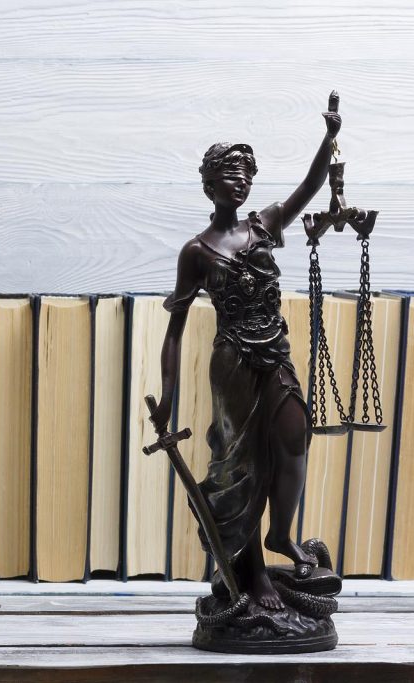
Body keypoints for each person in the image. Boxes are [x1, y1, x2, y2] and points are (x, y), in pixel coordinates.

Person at [150, 96, 342, 610]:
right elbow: (175, 329)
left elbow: (310, 186)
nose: (242, 182)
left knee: (293, 436)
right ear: (210, 184)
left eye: (247, 174)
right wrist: (167, 396)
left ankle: (282, 534)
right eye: (231, 174)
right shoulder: (196, 250)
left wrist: (328, 140)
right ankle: (253, 575)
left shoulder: (265, 225)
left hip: (274, 351)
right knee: (240, 468)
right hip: (232, 363)